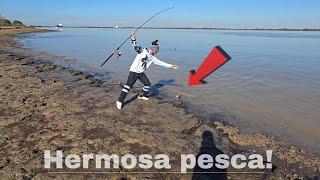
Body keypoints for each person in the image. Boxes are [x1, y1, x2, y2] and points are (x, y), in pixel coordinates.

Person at [116, 32, 177, 110]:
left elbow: (160, 63)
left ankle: (141, 96)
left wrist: (171, 65)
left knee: (147, 84)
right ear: (153, 49)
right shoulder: (142, 50)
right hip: (134, 71)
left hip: (141, 73)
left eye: (157, 50)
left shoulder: (153, 58)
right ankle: (119, 101)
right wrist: (133, 38)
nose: (157, 51)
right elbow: (135, 46)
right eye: (156, 50)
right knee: (128, 86)